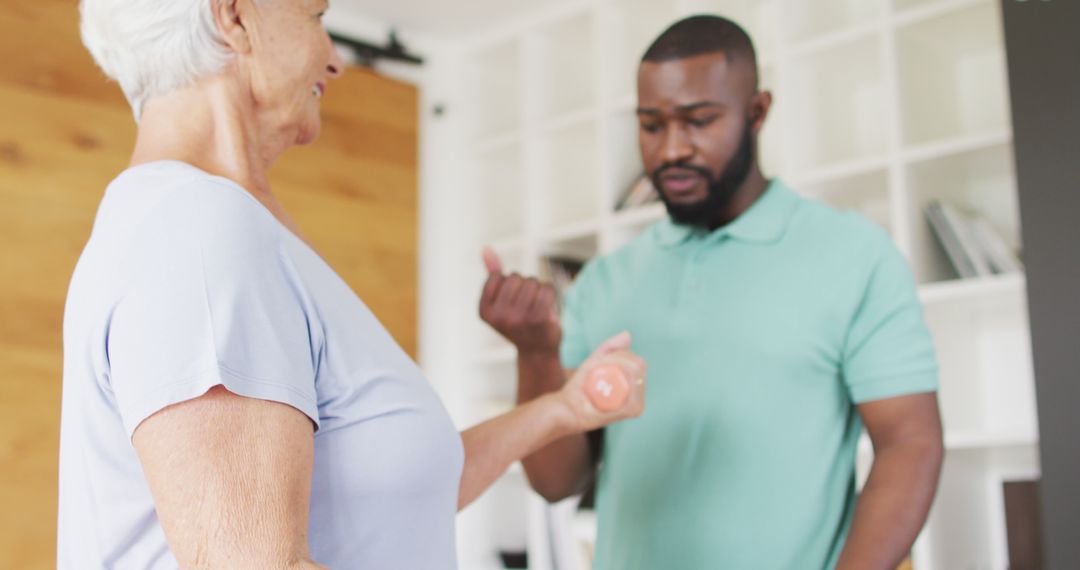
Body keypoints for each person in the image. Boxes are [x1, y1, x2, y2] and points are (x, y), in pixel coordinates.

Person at [58, 1, 647, 568]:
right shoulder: (197, 230)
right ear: (234, 17)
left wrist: (564, 410)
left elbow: (396, 496)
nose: (334, 58)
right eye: (316, 16)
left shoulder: (226, 229)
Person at [480, 15, 944, 570]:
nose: (672, 149)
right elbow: (557, 481)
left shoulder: (856, 256)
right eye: (651, 125)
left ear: (757, 112)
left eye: (698, 121)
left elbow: (909, 444)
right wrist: (535, 353)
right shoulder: (605, 280)